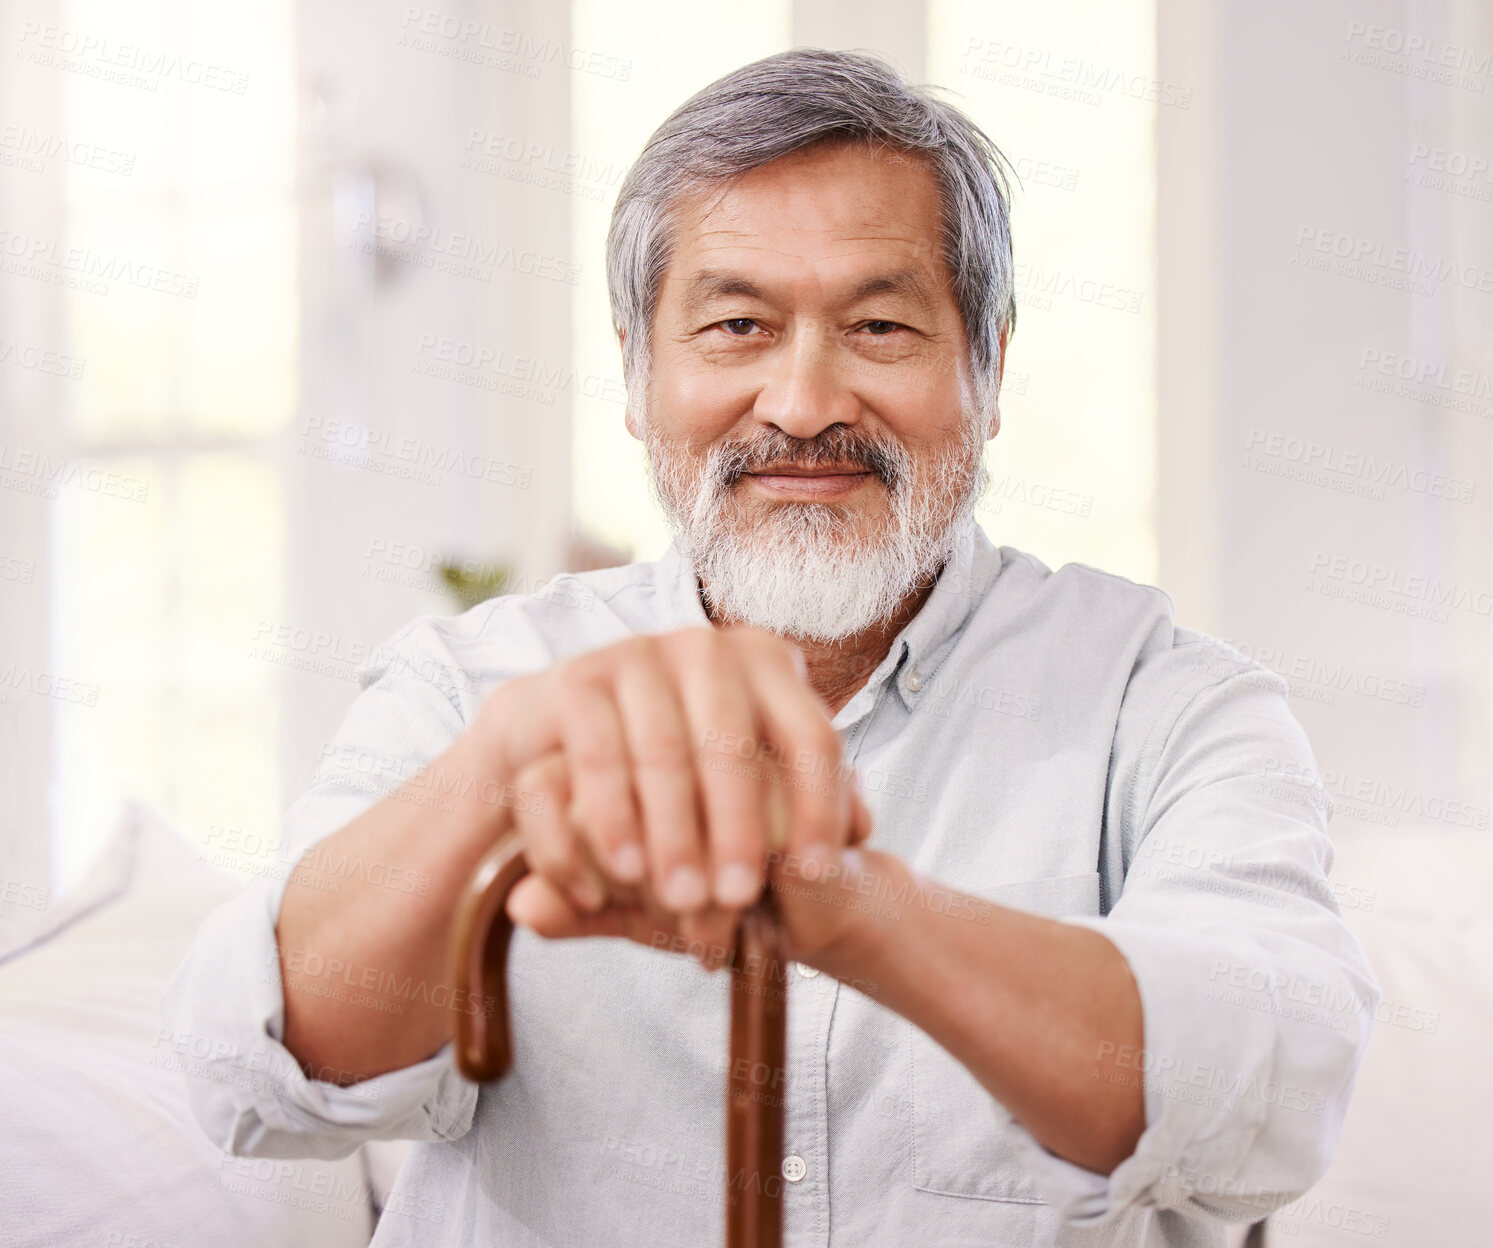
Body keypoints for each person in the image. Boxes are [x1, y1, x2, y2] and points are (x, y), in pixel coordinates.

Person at [165, 48, 1377, 1247]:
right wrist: (504, 773)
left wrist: (850, 910)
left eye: (881, 325)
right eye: (737, 324)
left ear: (990, 365)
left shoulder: (1167, 705)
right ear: (640, 377)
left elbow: (1271, 1095)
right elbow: (255, 1073)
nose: (803, 404)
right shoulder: (473, 689)